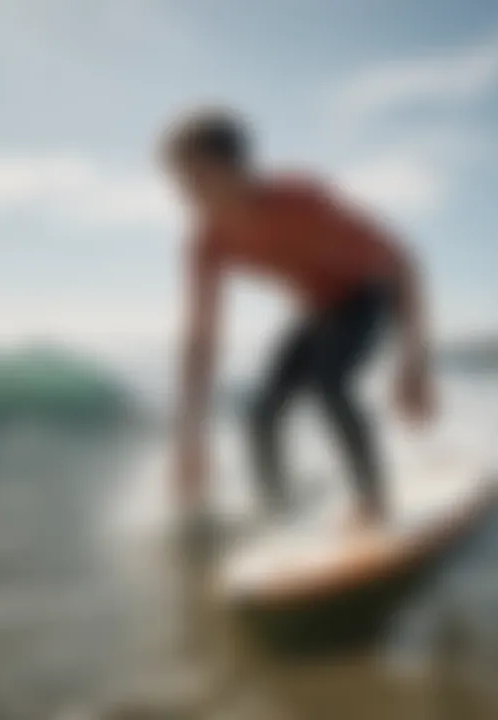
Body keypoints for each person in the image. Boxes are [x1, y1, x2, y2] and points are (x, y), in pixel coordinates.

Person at [162, 109, 435, 529]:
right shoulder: (207, 242)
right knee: (258, 413)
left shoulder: (303, 201)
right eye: (179, 182)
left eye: (195, 178)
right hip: (316, 310)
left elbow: (400, 263)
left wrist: (414, 363)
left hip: (366, 295)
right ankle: (278, 515)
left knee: (328, 385)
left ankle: (373, 503)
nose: (186, 194)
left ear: (235, 168)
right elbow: (201, 340)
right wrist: (190, 439)